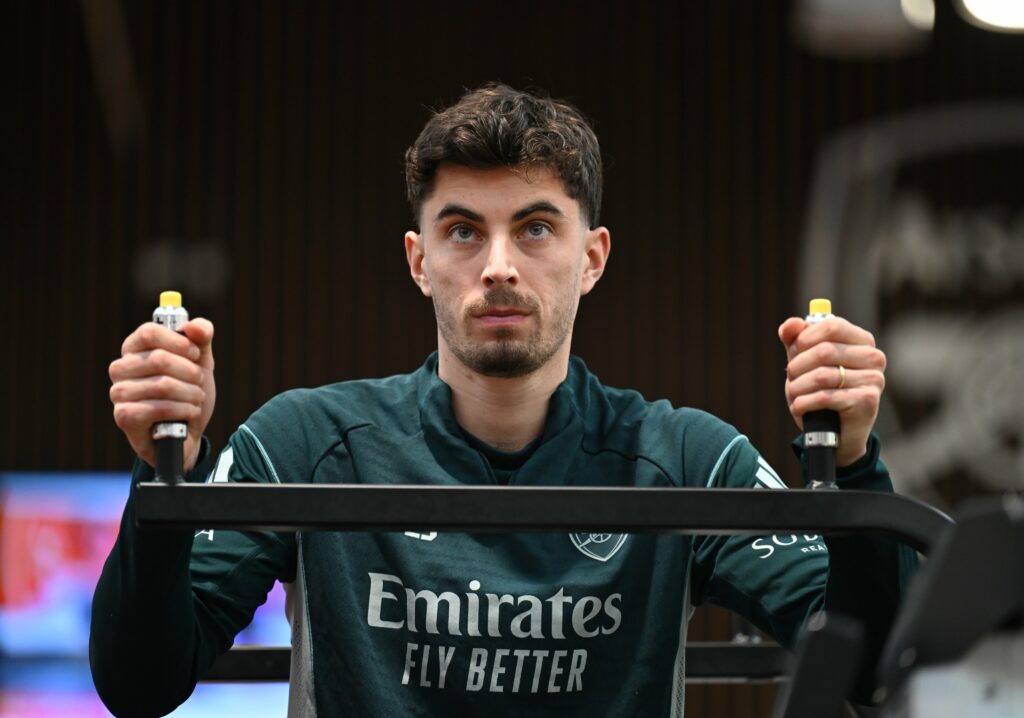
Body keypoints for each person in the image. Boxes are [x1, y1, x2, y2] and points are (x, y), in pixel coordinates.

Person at [92, 84, 915, 717]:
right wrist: (166, 477)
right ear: (419, 260)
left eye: (534, 228)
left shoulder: (688, 457)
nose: (497, 266)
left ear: (591, 257)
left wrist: (853, 463)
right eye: (462, 231)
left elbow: (874, 668)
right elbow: (139, 684)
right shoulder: (305, 439)